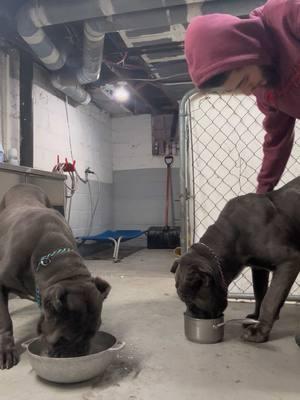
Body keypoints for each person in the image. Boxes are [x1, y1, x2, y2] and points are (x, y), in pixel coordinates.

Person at [184, 0, 300, 347]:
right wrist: (263, 195)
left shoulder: (287, 17)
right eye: (238, 89)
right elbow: (277, 139)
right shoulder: (267, 94)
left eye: (244, 80)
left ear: (246, 51)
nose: (248, 91)